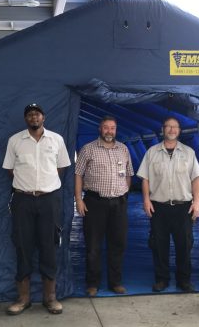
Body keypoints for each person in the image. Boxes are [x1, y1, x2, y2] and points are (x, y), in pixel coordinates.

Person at [2, 103, 71, 315]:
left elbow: (61, 167)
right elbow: (10, 170)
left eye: (37, 114)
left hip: (49, 200)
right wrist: (29, 186)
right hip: (22, 200)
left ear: (44, 117)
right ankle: (23, 298)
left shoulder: (56, 140)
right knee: (23, 246)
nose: (34, 117)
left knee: (49, 245)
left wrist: (44, 187)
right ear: (26, 119)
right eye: (30, 114)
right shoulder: (15, 141)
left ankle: (50, 298)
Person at [137, 117, 199, 293]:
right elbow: (145, 179)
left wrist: (196, 202)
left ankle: (184, 281)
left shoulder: (189, 153)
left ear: (180, 130)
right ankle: (162, 279)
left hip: (183, 207)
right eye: (169, 126)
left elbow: (195, 179)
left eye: (175, 127)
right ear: (163, 129)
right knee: (159, 245)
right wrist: (146, 200)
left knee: (185, 245)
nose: (172, 130)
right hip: (159, 206)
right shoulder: (151, 152)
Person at [74, 116, 134, 297]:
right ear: (100, 129)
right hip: (94, 203)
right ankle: (93, 284)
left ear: (116, 130)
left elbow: (129, 174)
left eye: (112, 128)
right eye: (106, 128)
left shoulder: (123, 149)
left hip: (118, 203)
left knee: (118, 244)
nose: (109, 131)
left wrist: (123, 192)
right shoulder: (88, 149)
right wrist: (78, 199)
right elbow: (78, 175)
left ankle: (115, 282)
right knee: (93, 245)